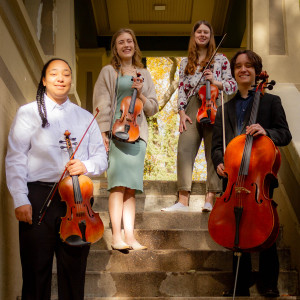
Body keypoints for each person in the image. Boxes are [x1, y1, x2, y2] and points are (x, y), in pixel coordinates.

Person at [5, 58, 108, 300]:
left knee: (74, 274)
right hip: (37, 197)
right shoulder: (28, 113)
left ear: (71, 81)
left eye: (66, 74)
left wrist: (86, 165)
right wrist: (20, 198)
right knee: (35, 271)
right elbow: (16, 157)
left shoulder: (86, 118)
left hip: (77, 201)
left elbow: (101, 159)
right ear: (44, 80)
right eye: (54, 74)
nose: (61, 78)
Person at [211, 50, 292, 297]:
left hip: (259, 177)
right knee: (236, 228)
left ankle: (269, 283)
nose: (243, 69)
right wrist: (218, 163)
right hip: (235, 179)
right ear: (233, 72)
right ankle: (240, 283)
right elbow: (216, 146)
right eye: (238, 66)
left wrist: (266, 132)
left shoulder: (271, 101)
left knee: (266, 229)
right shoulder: (225, 108)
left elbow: (284, 134)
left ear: (257, 71)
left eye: (248, 66)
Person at [93, 28, 158, 251]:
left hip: (137, 135)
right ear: (116, 47)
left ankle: (130, 236)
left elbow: (152, 108)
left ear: (135, 45)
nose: (126, 45)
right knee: (117, 186)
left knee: (131, 188)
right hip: (116, 133)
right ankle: (116, 236)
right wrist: (103, 132)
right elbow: (101, 102)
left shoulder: (145, 74)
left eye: (130, 41)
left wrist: (140, 93)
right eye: (121, 42)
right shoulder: (109, 72)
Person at [161, 20, 237, 212]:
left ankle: (210, 197)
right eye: (199, 32)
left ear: (211, 36)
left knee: (214, 150)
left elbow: (232, 85)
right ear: (194, 36)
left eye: (206, 32)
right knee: (184, 149)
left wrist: (216, 81)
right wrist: (181, 112)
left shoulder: (221, 59)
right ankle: (183, 201)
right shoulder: (186, 62)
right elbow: (181, 89)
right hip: (193, 105)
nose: (202, 35)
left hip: (214, 104)